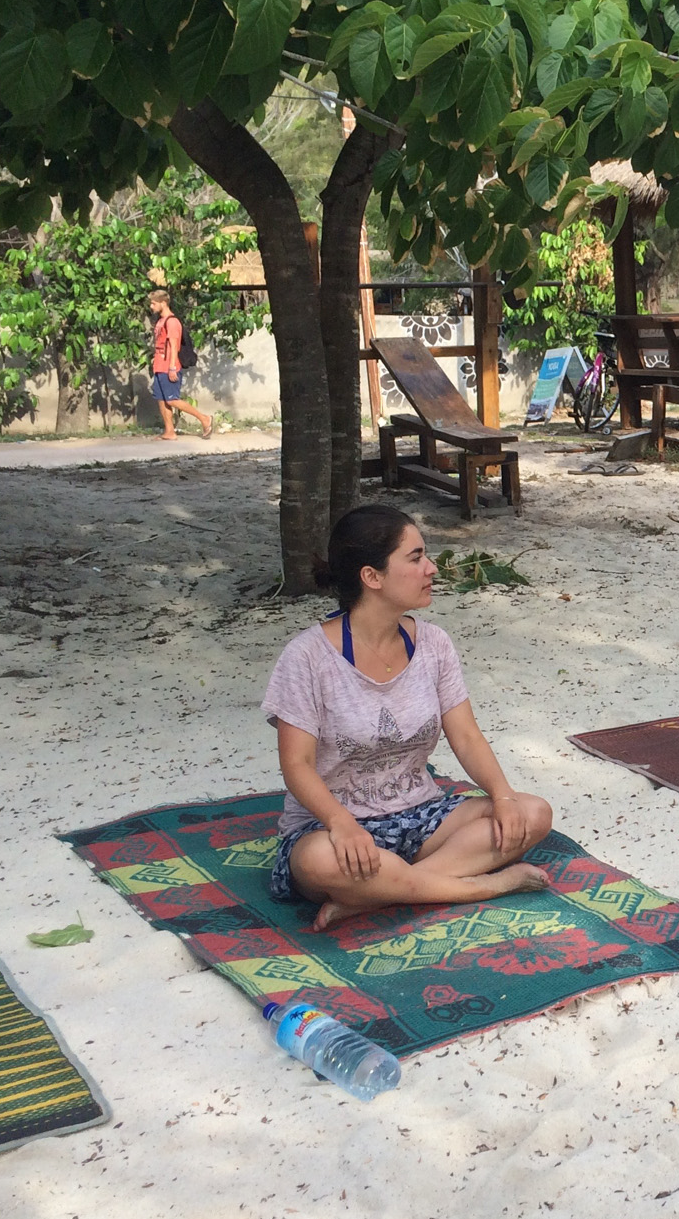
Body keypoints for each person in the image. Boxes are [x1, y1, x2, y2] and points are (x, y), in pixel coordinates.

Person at [262, 504, 555, 931]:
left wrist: (504, 796)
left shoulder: (434, 644)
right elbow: (297, 765)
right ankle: (483, 886)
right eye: (416, 558)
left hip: (421, 814)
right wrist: (342, 826)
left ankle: (375, 897)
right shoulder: (307, 657)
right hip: (332, 829)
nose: (432, 568)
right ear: (372, 577)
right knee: (319, 861)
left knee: (533, 813)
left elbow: (467, 736)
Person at [149, 290, 214, 440]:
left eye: (154, 303)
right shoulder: (160, 321)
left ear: (163, 303)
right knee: (161, 398)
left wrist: (172, 367)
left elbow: (174, 346)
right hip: (159, 366)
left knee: (172, 399)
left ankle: (204, 419)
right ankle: (169, 431)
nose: (151, 306)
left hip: (169, 366)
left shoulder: (172, 322)